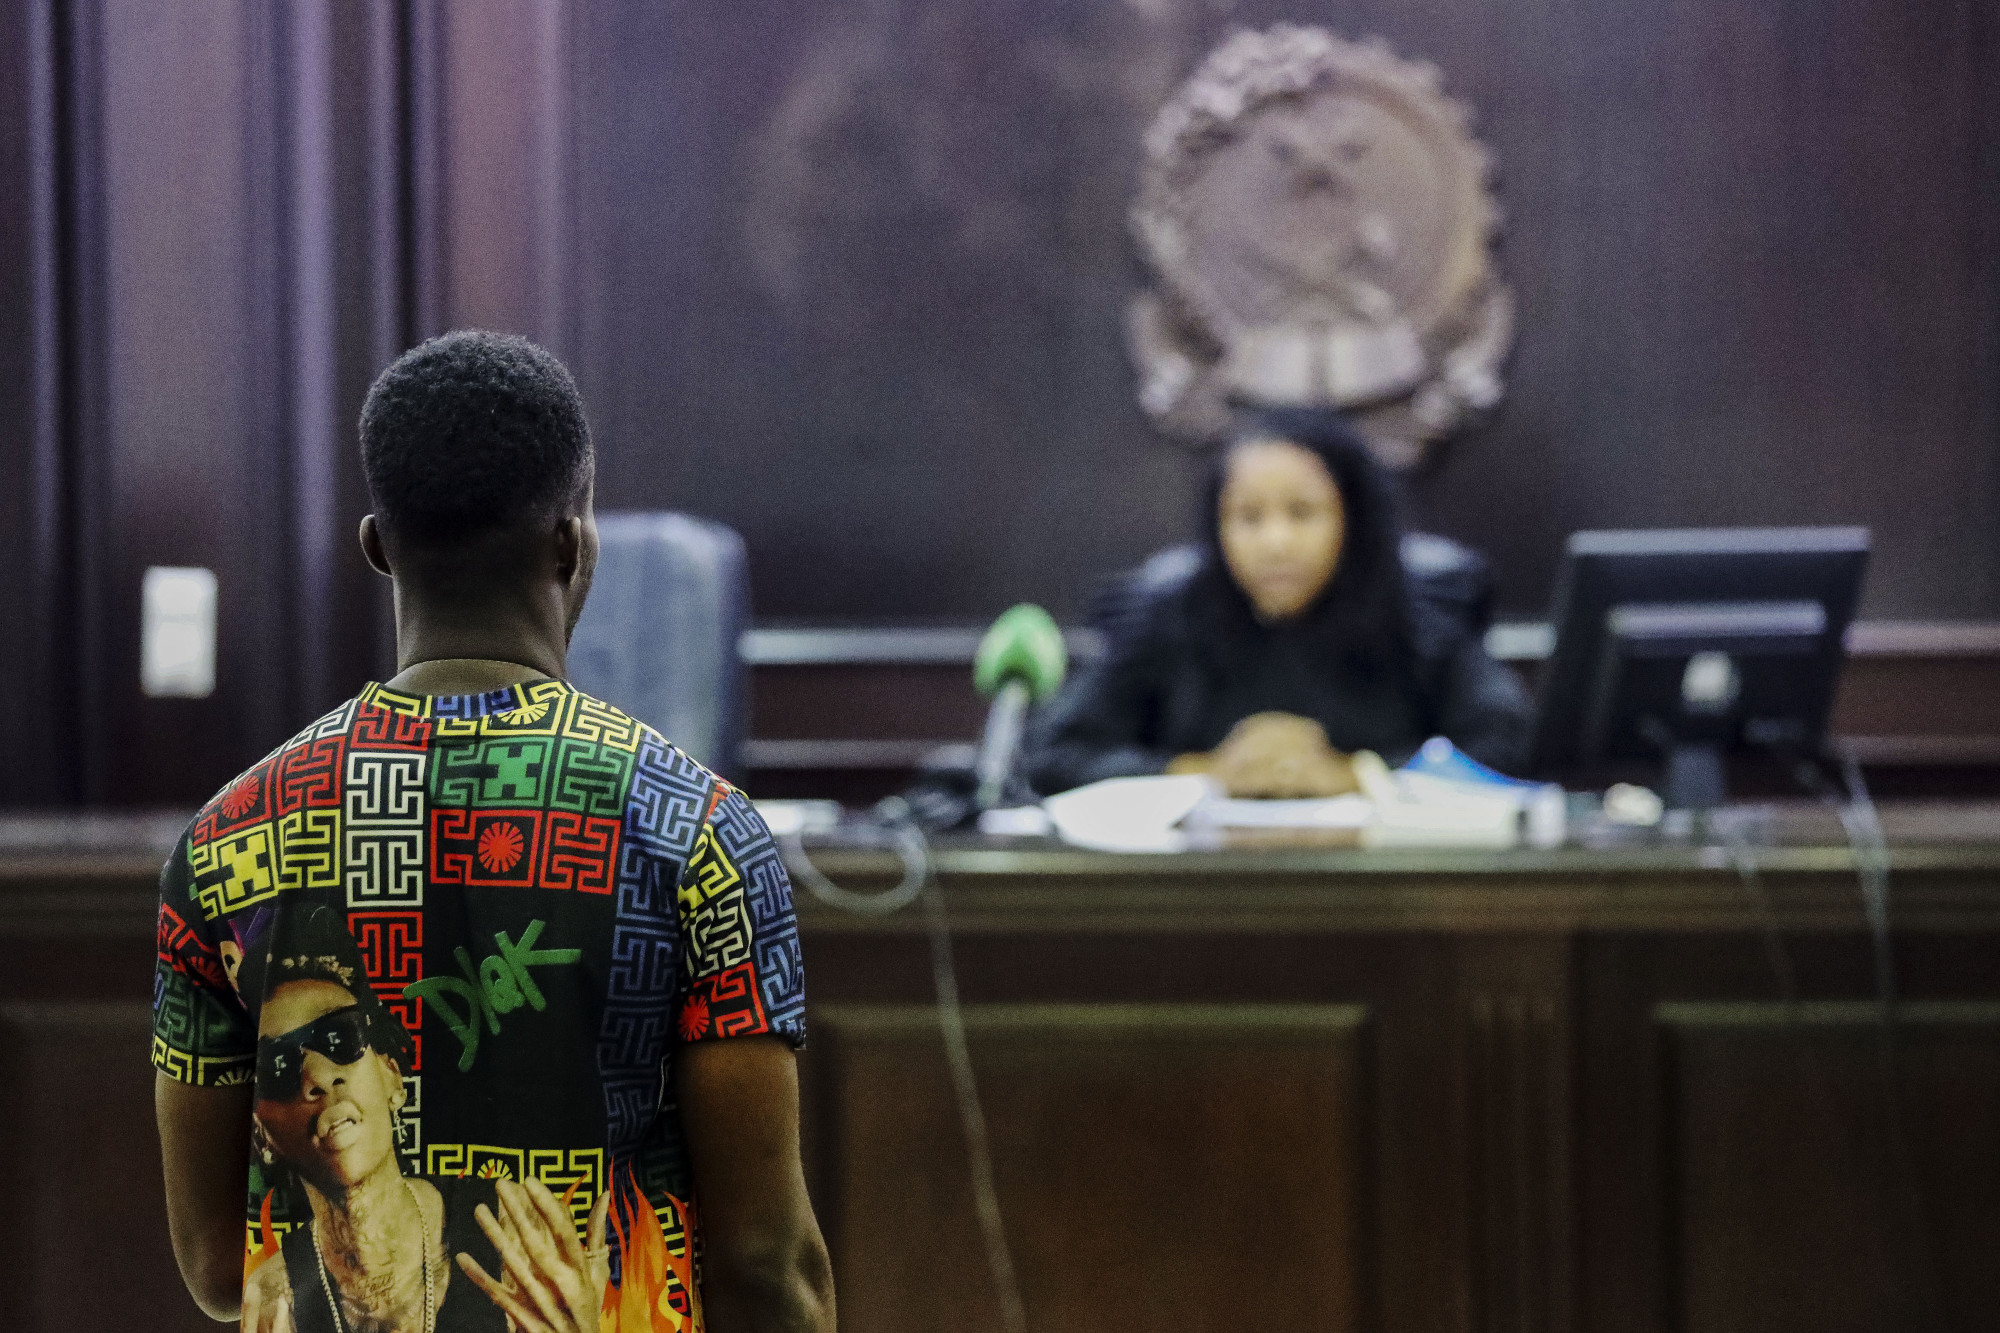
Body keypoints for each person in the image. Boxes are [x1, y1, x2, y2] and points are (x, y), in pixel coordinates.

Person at [153, 330, 835, 1333]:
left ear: (378, 546)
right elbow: (764, 1266)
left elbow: (219, 1266)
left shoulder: (227, 840)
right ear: (571, 542)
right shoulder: (698, 834)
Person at [1024, 408, 1531, 797]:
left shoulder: (1418, 613)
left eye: (1302, 512)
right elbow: (1054, 753)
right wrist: (1201, 771)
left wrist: (1356, 774)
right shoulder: (1169, 612)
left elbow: (1509, 745)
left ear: (1352, 520)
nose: (1276, 542)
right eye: (1248, 517)